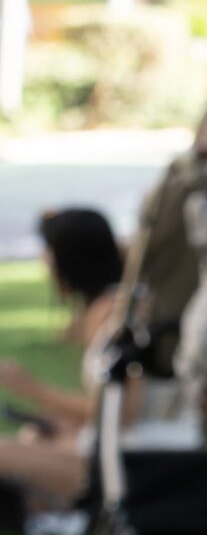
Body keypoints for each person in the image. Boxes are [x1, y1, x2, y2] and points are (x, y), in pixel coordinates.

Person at [0, 208, 127, 515]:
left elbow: (120, 413)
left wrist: (33, 389)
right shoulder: (109, 308)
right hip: (114, 449)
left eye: (47, 250)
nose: (43, 260)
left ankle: (43, 503)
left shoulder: (115, 316)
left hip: (127, 464)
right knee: (34, 436)